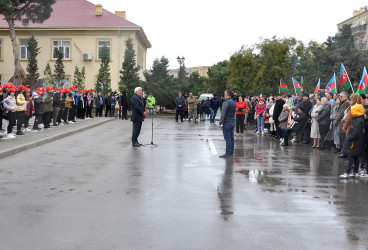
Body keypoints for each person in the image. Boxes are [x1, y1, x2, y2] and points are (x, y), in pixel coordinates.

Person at [339, 103, 365, 178]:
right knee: (355, 156)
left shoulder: (358, 121)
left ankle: (347, 172)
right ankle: (355, 172)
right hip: (357, 142)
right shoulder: (359, 119)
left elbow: (356, 132)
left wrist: (348, 137)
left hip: (354, 142)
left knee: (350, 156)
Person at [218, 89, 236, 158]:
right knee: (231, 138)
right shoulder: (233, 102)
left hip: (227, 122)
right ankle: (231, 152)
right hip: (232, 121)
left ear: (227, 94)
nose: (224, 95)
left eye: (224, 94)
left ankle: (228, 153)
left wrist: (220, 122)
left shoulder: (226, 103)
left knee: (227, 138)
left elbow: (223, 114)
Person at [335, 92, 350, 158]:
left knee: (343, 138)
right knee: (341, 137)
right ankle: (342, 151)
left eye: (341, 97)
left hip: (342, 123)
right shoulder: (343, 102)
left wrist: (337, 119)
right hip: (341, 123)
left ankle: (344, 152)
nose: (340, 98)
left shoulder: (346, 102)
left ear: (345, 97)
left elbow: (341, 113)